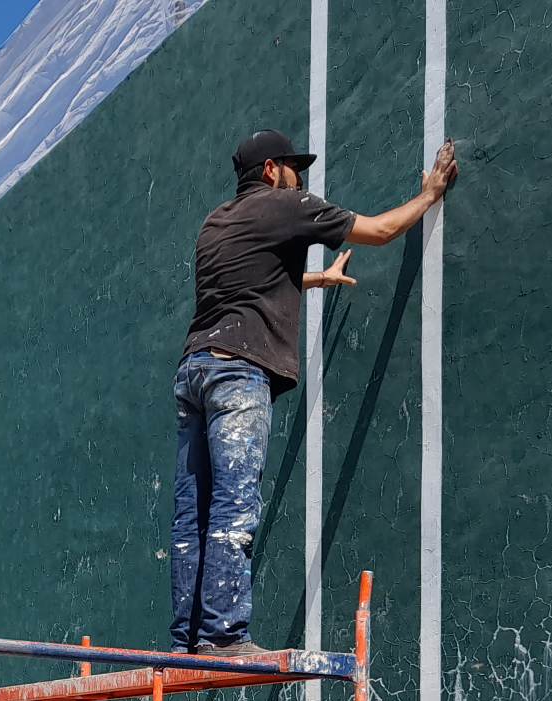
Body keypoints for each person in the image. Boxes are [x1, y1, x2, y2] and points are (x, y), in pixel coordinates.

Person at [171, 127, 458, 656]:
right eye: (292, 167)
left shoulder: (215, 224)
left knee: (194, 512)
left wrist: (316, 279)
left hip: (195, 370)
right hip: (239, 370)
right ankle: (224, 636)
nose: (298, 176)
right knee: (235, 504)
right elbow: (376, 231)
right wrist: (430, 194)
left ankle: (188, 638)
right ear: (270, 171)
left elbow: (250, 282)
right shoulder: (287, 205)